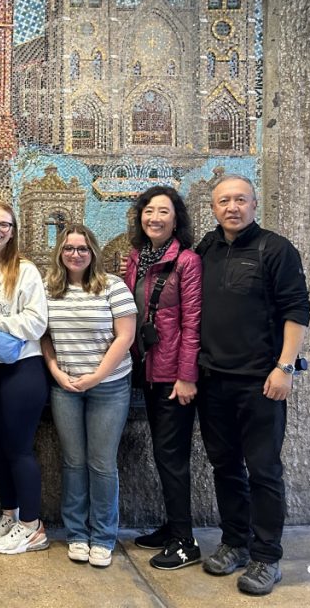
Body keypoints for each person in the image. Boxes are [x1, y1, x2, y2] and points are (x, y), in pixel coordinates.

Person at [195, 174, 310, 596]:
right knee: (224, 468)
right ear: (213, 208)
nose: (232, 207)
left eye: (240, 199)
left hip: (262, 383)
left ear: (254, 204)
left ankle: (266, 557)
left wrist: (285, 367)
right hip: (213, 381)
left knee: (263, 471)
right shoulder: (206, 250)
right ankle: (234, 543)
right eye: (224, 201)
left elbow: (297, 310)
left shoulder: (276, 249)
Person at [41, 224, 136, 568]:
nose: (75, 254)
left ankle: (103, 536)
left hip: (108, 387)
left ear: (93, 251)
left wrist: (96, 376)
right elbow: (44, 336)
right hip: (65, 387)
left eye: (82, 248)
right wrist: (55, 371)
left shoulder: (113, 286)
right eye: (69, 248)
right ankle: (77, 533)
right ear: (60, 252)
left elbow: (125, 337)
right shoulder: (50, 289)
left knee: (101, 464)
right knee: (73, 462)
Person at [123, 187, 202, 569]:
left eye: (163, 212)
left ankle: (185, 540)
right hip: (148, 371)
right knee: (163, 453)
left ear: (176, 219)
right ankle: (172, 527)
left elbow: (193, 323)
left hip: (174, 376)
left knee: (172, 457)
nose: (154, 217)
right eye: (148, 211)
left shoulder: (187, 261)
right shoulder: (137, 259)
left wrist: (187, 376)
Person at [0, 202, 50, 555]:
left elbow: (36, 322)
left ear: (14, 230)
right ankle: (10, 514)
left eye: (4, 224)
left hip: (22, 367)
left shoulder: (26, 270)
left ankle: (33, 527)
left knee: (19, 448)